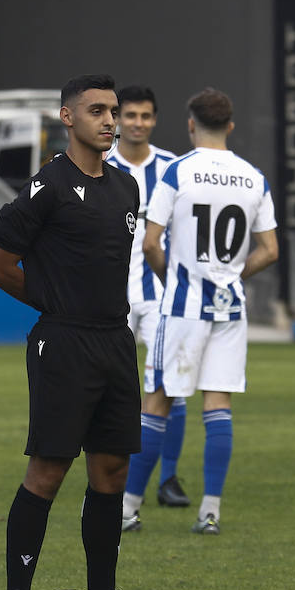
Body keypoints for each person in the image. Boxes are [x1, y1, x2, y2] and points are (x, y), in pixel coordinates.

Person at [0, 74, 164, 590]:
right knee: (49, 470)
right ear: (68, 118)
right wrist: (51, 302)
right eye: (97, 111)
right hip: (63, 342)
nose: (110, 121)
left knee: (111, 469)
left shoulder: (125, 187)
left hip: (115, 340)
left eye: (114, 111)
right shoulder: (48, 187)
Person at [140, 88, 278, 535]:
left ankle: (125, 508)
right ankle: (210, 511)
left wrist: (171, 279)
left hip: (184, 304)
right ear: (231, 126)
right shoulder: (253, 177)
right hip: (229, 307)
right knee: (217, 403)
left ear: (190, 124)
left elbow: (149, 242)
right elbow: (270, 249)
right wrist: (234, 277)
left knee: (158, 400)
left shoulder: (178, 172)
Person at [105, 85, 190, 529]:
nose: (138, 123)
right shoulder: (100, 163)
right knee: (111, 391)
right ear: (119, 120)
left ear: (155, 120)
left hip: (161, 293)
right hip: (113, 294)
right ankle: (112, 482)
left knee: (168, 385)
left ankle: (168, 479)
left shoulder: (173, 167)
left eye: (145, 116)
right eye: (130, 115)